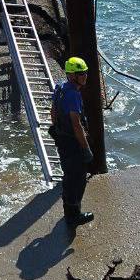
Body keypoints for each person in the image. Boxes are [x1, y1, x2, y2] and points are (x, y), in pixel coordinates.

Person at [50, 56, 94, 228]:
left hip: (62, 140)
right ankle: (73, 216)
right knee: (77, 179)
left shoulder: (60, 88)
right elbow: (77, 125)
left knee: (69, 175)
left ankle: (69, 211)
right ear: (72, 76)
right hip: (72, 143)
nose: (85, 76)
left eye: (85, 73)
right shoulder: (73, 95)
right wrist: (86, 148)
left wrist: (57, 129)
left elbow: (53, 112)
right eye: (81, 74)